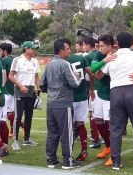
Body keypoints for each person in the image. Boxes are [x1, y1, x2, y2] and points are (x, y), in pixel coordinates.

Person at [101, 32, 133, 170]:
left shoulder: (111, 57)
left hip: (116, 92)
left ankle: (116, 161)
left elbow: (101, 73)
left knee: (116, 129)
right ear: (131, 43)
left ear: (117, 43)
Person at [40, 39, 81, 169]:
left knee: (52, 133)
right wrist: (78, 76)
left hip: (51, 104)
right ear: (61, 50)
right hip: (63, 105)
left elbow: (42, 85)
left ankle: (51, 160)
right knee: (67, 133)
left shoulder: (49, 64)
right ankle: (67, 161)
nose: (70, 50)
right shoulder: (65, 64)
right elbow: (74, 83)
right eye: (68, 48)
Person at [9, 41, 41, 150]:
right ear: (26, 49)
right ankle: (15, 140)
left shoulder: (35, 61)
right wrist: (21, 86)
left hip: (31, 91)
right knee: (18, 117)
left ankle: (26, 139)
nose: (34, 51)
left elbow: (36, 76)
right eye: (33, 49)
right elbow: (11, 76)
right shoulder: (17, 60)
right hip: (19, 90)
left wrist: (38, 87)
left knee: (29, 116)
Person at [67, 39, 93, 161]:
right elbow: (91, 73)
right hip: (82, 95)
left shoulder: (63, 60)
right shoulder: (81, 58)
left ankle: (69, 152)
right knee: (80, 123)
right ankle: (84, 149)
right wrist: (91, 88)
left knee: (69, 125)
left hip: (70, 97)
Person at [93, 35, 116, 166]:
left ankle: (114, 153)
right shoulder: (98, 54)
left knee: (111, 124)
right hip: (100, 94)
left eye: (102, 46)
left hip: (112, 95)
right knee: (99, 121)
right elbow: (94, 69)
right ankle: (107, 146)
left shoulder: (117, 56)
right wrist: (105, 60)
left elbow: (99, 75)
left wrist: (100, 71)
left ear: (110, 46)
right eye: (99, 45)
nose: (99, 48)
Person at [0, 43, 24, 140]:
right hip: (14, 89)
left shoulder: (4, 60)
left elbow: (4, 75)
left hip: (7, 90)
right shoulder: (14, 59)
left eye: (0, 51)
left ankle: (23, 126)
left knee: (7, 113)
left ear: (4, 51)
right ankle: (13, 131)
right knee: (11, 111)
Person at [83, 38, 101, 149]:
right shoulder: (102, 54)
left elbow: (90, 75)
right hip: (106, 89)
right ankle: (103, 137)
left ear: (87, 45)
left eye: (84, 45)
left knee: (93, 114)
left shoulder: (87, 57)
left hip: (95, 89)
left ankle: (96, 139)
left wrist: (91, 89)